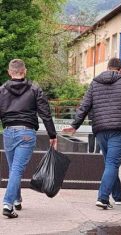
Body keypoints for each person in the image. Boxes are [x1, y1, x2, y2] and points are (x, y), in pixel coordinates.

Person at [62, 58, 121, 209]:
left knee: (110, 163)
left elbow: (85, 105)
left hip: (100, 129)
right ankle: (103, 198)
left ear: (107, 68)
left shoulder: (95, 83)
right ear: (120, 69)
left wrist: (74, 125)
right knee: (112, 163)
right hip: (119, 129)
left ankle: (117, 196)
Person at [0, 59, 57, 218]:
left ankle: (17, 199)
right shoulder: (34, 89)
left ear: (9, 72)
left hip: (9, 132)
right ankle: (8, 204)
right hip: (26, 132)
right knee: (16, 169)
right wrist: (52, 134)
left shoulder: (2, 90)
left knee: (14, 168)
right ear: (24, 71)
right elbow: (45, 113)